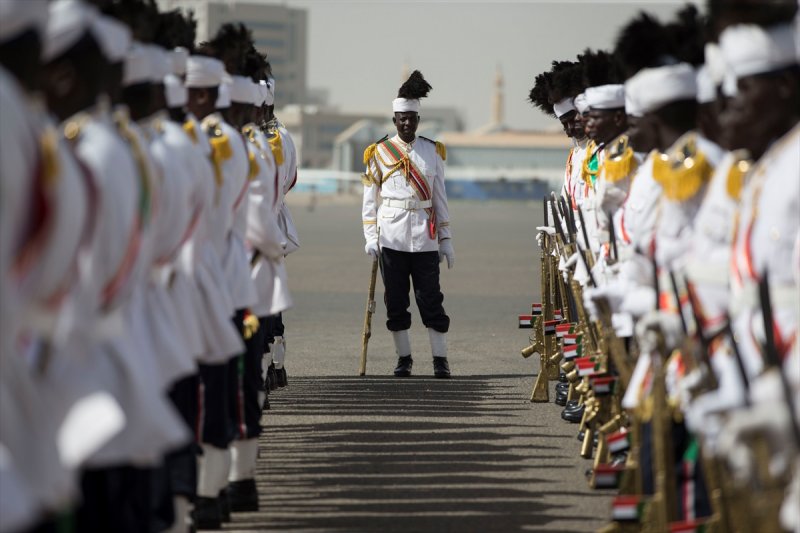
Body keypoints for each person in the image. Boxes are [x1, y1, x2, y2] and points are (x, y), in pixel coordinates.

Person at [361, 70, 454, 379]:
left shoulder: (432, 151)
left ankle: (440, 360)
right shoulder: (379, 153)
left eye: (412, 119)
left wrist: (446, 238)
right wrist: (370, 236)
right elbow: (370, 199)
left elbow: (439, 198)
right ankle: (404, 359)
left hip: (425, 239)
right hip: (391, 238)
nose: (407, 124)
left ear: (418, 120)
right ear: (394, 120)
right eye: (401, 118)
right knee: (396, 302)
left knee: (431, 299)